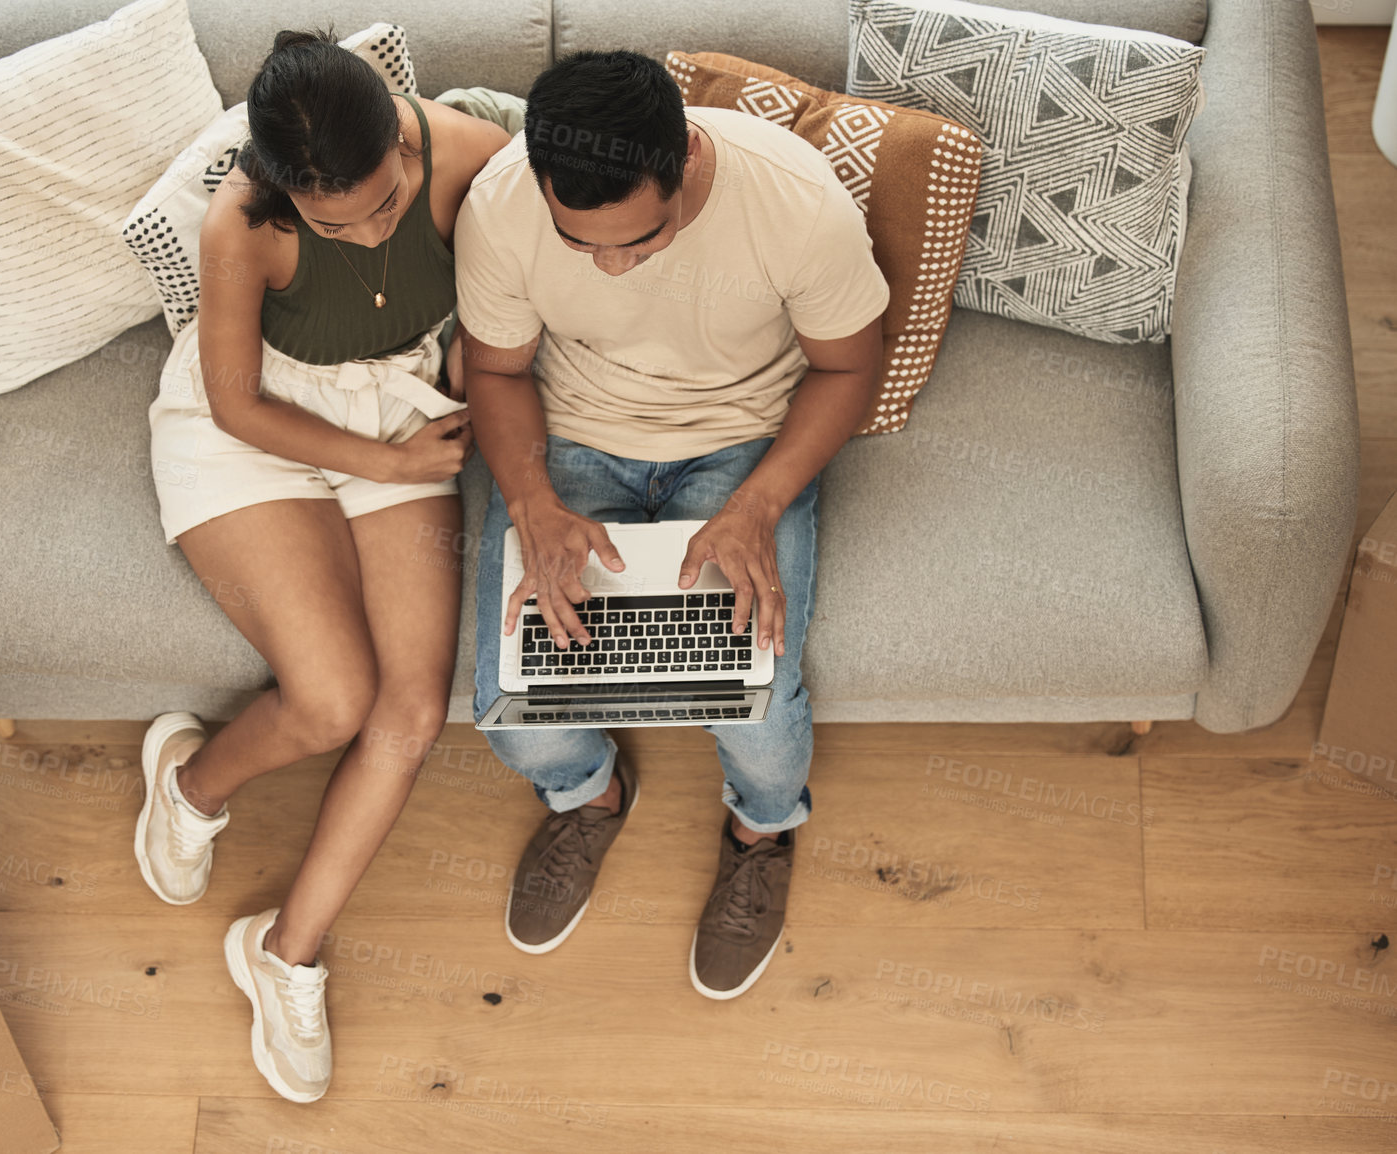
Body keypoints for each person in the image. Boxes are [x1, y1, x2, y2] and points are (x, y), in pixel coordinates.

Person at [456, 50, 889, 999]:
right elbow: (493, 373)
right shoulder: (500, 206)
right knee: (516, 713)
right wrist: (532, 503)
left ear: (686, 160)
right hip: (569, 440)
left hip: (741, 444)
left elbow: (849, 367)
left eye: (637, 242)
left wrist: (757, 506)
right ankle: (588, 798)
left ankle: (761, 831)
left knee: (755, 705)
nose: (609, 267)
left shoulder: (794, 204)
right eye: (581, 246)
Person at [137, 30, 508, 1103]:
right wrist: (384, 460)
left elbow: (541, 234)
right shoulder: (240, 224)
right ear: (283, 190)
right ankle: (191, 783)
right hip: (258, 431)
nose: (371, 227)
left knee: (409, 712)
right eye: (335, 221)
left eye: (385, 205)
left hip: (399, 410)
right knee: (333, 697)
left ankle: (283, 952)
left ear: (398, 138)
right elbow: (235, 400)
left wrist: (479, 368)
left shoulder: (465, 147)